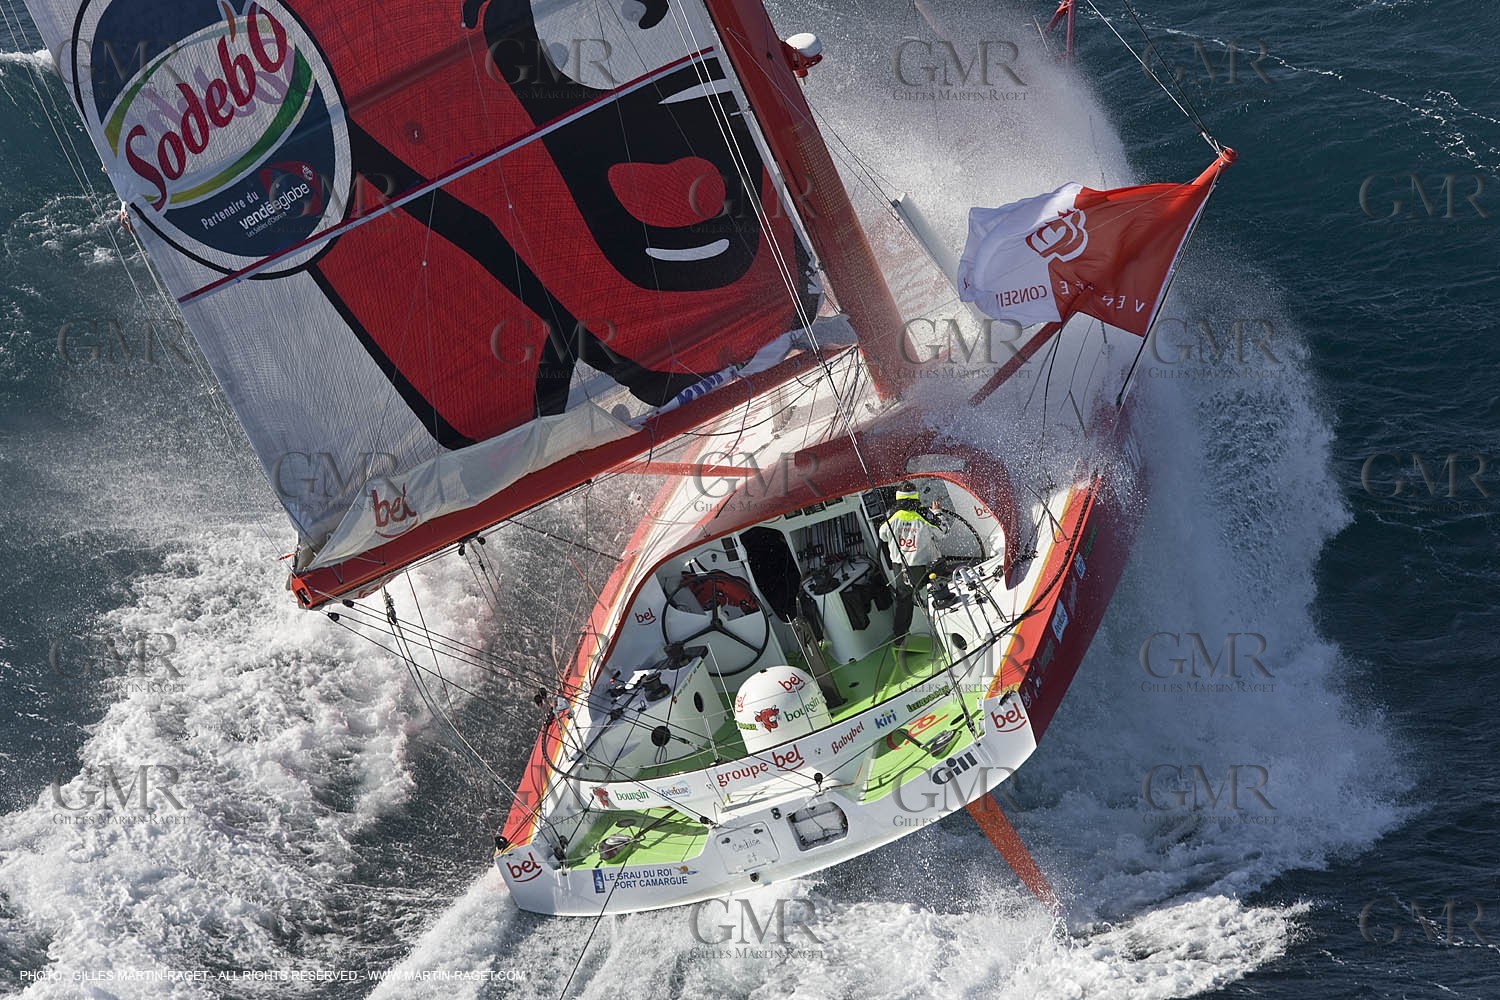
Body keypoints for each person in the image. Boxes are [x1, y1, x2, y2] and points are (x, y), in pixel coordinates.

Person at [877, 481, 949, 672]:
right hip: (925, 568)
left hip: (900, 569)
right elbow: (943, 532)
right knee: (940, 587)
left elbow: (883, 535)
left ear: (898, 497)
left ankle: (899, 639)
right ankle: (946, 632)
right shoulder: (924, 513)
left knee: (904, 601)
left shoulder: (891, 516)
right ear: (916, 496)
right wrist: (937, 513)